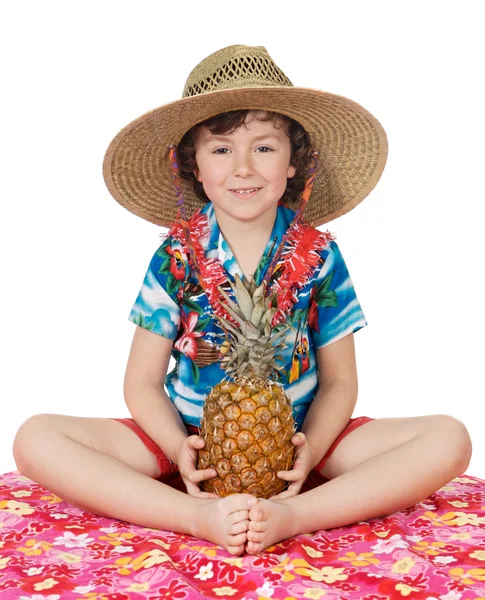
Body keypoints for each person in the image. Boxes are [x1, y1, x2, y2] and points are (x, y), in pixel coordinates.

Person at [12, 44, 473, 556]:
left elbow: (341, 380)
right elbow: (141, 381)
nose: (244, 167)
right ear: (195, 167)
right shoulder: (176, 256)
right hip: (192, 436)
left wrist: (311, 448)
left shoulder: (320, 256)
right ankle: (196, 514)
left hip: (299, 435)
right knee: (35, 438)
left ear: (295, 163)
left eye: (265, 148)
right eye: (222, 149)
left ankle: (294, 513)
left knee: (449, 439)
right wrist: (176, 447)